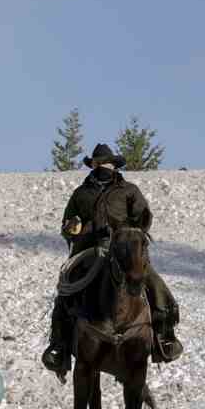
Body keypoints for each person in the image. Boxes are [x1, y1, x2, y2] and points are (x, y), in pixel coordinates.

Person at [41, 143, 183, 373]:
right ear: (93, 165)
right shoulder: (81, 193)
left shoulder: (130, 191)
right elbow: (67, 224)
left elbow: (142, 219)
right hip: (89, 249)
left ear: (114, 166)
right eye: (99, 164)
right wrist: (73, 228)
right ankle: (60, 345)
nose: (103, 167)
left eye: (107, 163)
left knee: (157, 286)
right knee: (66, 290)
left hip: (125, 250)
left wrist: (129, 234)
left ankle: (164, 338)